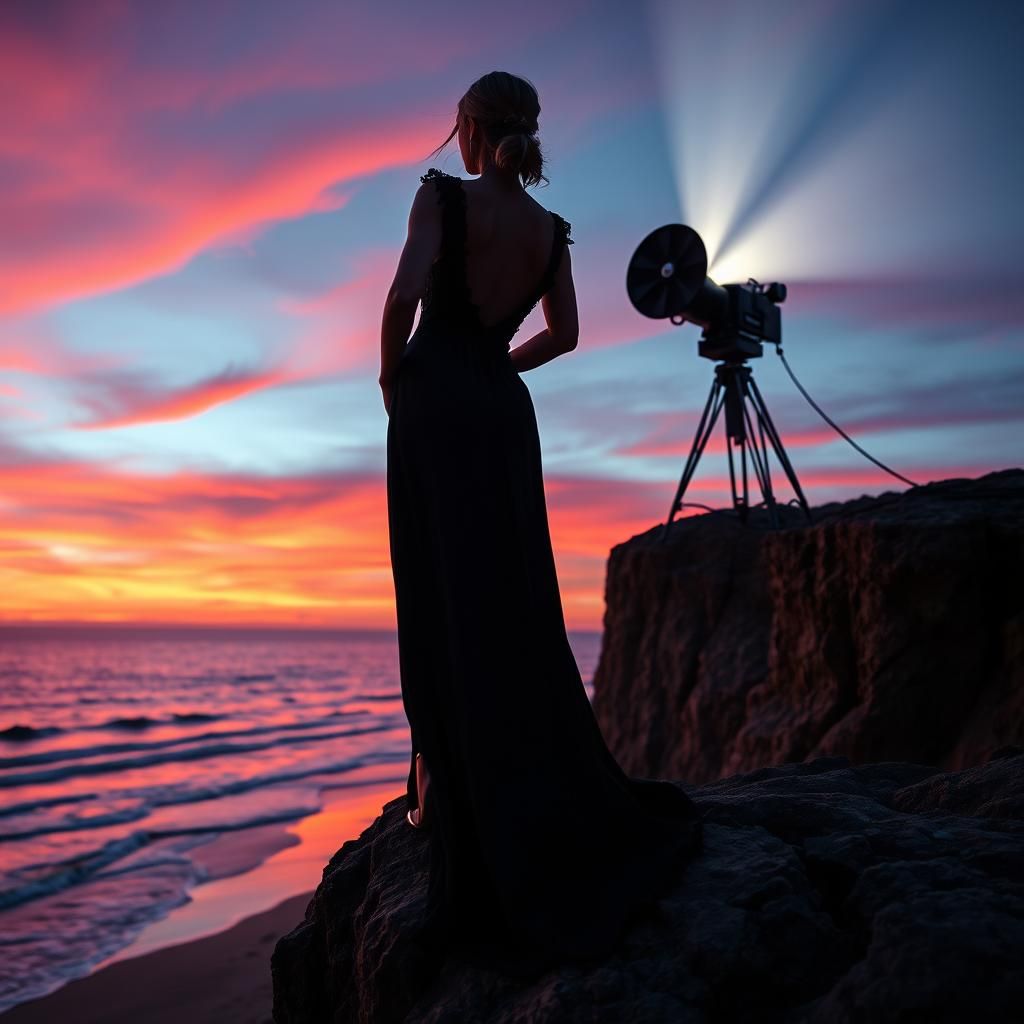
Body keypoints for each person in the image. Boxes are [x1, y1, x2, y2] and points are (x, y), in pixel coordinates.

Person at [379, 71, 703, 977]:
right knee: (507, 591)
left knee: (436, 583)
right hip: (497, 400)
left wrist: (392, 378)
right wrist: (496, 364)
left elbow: (403, 299)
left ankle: (437, 786)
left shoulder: (441, 196)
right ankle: (514, 777)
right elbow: (564, 334)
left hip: (435, 395)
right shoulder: (551, 231)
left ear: (469, 130)